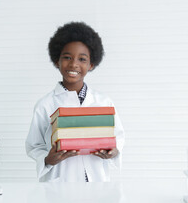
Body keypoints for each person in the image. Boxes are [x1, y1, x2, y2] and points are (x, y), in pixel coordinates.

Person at [25, 22, 125, 182]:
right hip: (60, 181)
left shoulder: (104, 102)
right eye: (67, 57)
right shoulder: (45, 104)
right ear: (57, 61)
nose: (73, 64)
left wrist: (114, 151)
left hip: (96, 181)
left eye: (82, 59)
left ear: (91, 64)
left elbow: (118, 136)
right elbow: (34, 145)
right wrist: (47, 159)